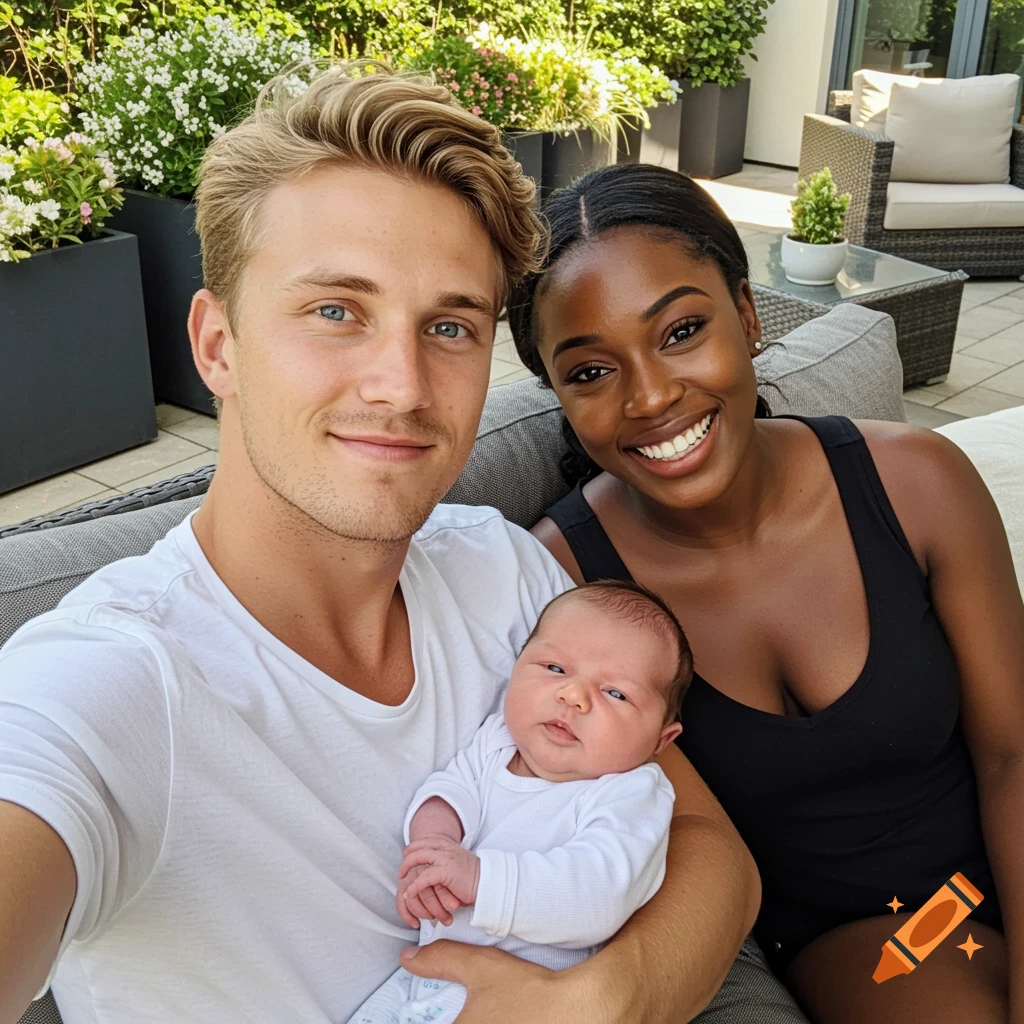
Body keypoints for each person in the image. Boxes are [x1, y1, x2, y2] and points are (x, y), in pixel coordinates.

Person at [0, 65, 809, 1024]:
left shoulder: (506, 574)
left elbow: (715, 851)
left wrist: (596, 1005)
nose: (402, 383)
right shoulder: (110, 686)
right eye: (336, 310)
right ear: (216, 345)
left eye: (449, 325)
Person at [510, 162, 1024, 1024]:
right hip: (889, 936)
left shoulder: (917, 482)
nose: (650, 397)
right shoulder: (561, 585)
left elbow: (1014, 756)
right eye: (591, 373)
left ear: (748, 316)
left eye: (680, 332)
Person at [350, 580, 690, 1024]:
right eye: (554, 667)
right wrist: (431, 847)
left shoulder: (631, 793)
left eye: (616, 694)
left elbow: (599, 894)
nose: (573, 696)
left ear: (660, 741)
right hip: (425, 977)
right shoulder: (497, 741)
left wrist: (480, 879)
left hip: (533, 994)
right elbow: (451, 792)